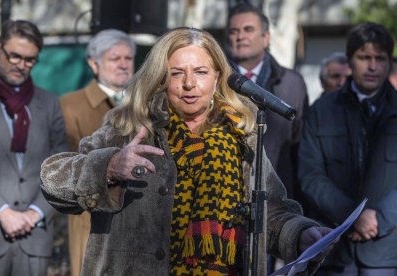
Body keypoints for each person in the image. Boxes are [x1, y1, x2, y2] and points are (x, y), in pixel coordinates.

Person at [40, 27, 332, 275]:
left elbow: (270, 211)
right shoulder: (130, 124)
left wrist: (301, 234)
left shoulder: (242, 134)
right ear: (161, 78)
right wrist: (109, 166)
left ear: (218, 77)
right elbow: (53, 180)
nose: (189, 84)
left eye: (201, 72)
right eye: (177, 73)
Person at [298, 22, 397, 275]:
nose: (372, 66)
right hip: (332, 248)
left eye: (380, 58)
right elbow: (310, 175)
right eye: (364, 57)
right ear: (350, 60)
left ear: (389, 62)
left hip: (386, 252)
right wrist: (352, 216)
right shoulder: (323, 110)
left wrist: (381, 219)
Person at [0, 20, 67, 275]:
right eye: (15, 56)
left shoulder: (49, 102)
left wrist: (36, 212)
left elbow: (61, 165)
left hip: (35, 239)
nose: (21, 65)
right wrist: (1, 212)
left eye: (30, 60)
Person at [59, 28, 136, 276]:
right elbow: (66, 163)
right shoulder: (70, 104)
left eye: (128, 58)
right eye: (115, 59)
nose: (124, 65)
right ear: (94, 64)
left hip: (137, 218)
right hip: (89, 216)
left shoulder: (145, 104)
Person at [226, 2, 308, 201]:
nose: (240, 36)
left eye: (248, 29)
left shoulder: (292, 83)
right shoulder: (214, 82)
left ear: (266, 37)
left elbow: (301, 149)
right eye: (234, 31)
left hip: (277, 197)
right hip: (226, 196)